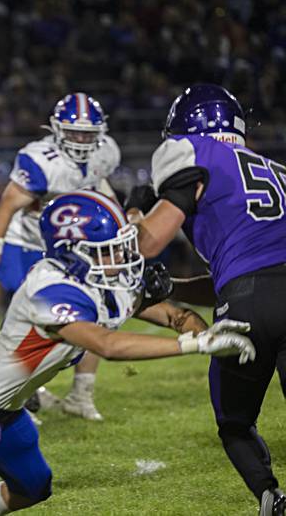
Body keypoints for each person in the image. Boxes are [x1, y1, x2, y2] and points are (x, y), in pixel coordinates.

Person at [0, 190, 256, 515]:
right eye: (112, 250)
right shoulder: (49, 288)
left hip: (7, 411)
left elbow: (174, 314)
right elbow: (106, 345)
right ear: (73, 251)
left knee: (33, 487)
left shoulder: (98, 280)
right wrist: (194, 345)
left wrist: (202, 330)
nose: (123, 258)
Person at [128, 84, 286, 515]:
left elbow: (147, 243)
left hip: (249, 302)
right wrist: (175, 289)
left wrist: (134, 212)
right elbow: (246, 269)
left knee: (235, 426)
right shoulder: (276, 169)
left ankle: (271, 498)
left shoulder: (191, 151)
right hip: (257, 286)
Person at [0, 93, 122, 421]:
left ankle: (80, 394)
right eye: (74, 132)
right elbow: (9, 203)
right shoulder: (42, 159)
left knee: (94, 313)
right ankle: (22, 395)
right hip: (25, 243)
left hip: (71, 245)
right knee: (39, 323)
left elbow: (99, 184)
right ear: (57, 129)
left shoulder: (106, 151)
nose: (82, 140)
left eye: (88, 132)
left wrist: (120, 218)